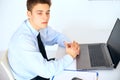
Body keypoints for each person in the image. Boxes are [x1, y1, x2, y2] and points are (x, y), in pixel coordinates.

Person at [8, 0, 80, 80]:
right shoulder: (23, 41)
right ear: (29, 14)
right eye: (39, 13)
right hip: (33, 77)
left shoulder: (38, 26)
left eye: (47, 12)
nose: (45, 17)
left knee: (75, 69)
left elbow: (57, 36)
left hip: (40, 68)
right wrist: (70, 56)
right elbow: (46, 71)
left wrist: (69, 45)